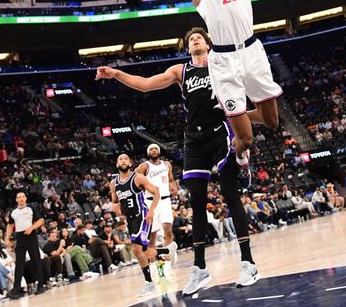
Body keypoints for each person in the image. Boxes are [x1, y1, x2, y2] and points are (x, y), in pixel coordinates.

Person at [96, 28, 261, 294]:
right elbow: (146, 84)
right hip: (194, 140)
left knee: (230, 195)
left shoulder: (222, 63)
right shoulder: (181, 71)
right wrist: (116, 73)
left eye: (199, 38)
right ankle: (199, 269)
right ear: (188, 48)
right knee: (196, 204)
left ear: (208, 44)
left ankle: (248, 263)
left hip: (220, 131)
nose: (194, 40)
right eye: (190, 40)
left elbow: (245, 89)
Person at [158, 0, 283, 187]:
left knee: (272, 121)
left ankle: (233, 113)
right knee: (247, 139)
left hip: (252, 50)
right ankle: (239, 156)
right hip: (223, 60)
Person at [109, 153, 162, 297]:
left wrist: (151, 211)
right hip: (130, 220)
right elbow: (116, 203)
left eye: (126, 158)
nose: (123, 160)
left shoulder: (138, 177)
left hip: (142, 215)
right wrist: (116, 208)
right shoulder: (113, 183)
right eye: (120, 159)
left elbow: (156, 192)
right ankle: (162, 254)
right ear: (117, 164)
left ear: (130, 162)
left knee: (136, 249)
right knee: (144, 252)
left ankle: (149, 284)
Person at [134, 144, 178, 266]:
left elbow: (170, 180)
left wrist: (173, 187)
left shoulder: (167, 164)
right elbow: (136, 181)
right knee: (152, 234)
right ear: (148, 153)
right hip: (150, 201)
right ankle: (153, 262)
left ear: (159, 151)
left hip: (165, 200)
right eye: (151, 149)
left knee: (168, 229)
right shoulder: (144, 166)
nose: (154, 150)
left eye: (156, 149)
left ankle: (167, 258)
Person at [5, 192, 46, 298]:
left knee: (36, 260)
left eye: (23, 197)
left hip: (31, 236)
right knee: (19, 263)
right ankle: (16, 289)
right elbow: (10, 225)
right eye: (19, 197)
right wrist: (7, 238)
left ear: (26, 198)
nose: (21, 199)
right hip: (20, 237)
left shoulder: (31, 207)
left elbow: (41, 220)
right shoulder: (13, 212)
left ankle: (41, 285)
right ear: (16, 199)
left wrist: (32, 228)